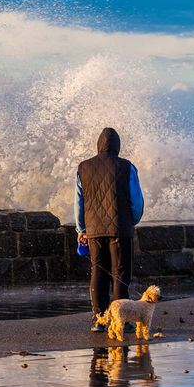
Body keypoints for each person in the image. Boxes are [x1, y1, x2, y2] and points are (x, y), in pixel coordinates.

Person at [75, 127, 144, 333]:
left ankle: (99, 319)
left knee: (98, 272)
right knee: (120, 274)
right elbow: (136, 200)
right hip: (120, 228)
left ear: (99, 145)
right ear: (117, 146)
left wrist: (81, 229)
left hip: (94, 230)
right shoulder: (126, 167)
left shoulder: (83, 167)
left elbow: (79, 202)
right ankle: (121, 320)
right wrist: (133, 220)